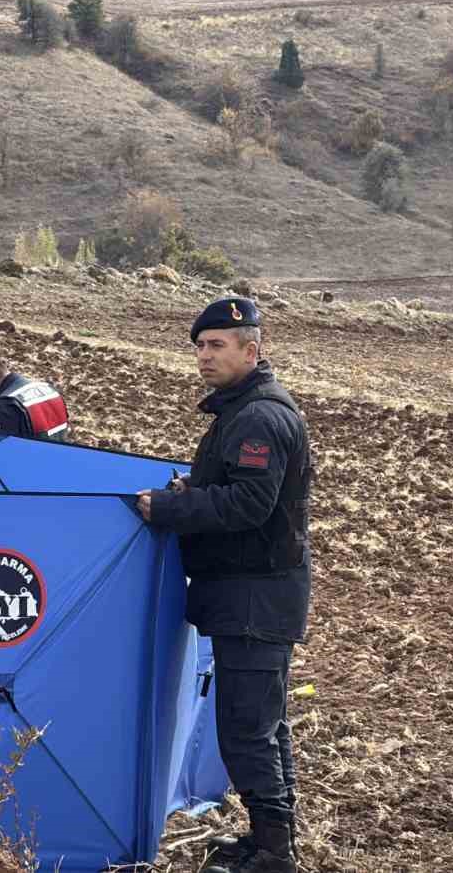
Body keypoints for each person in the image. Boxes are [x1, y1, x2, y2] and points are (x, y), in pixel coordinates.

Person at [134, 297, 312, 873]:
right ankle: (272, 839)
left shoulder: (259, 417)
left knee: (246, 730)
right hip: (252, 593)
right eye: (200, 346)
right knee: (263, 725)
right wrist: (193, 490)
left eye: (216, 345)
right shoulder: (241, 411)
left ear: (251, 351)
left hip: (256, 597)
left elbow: (251, 503)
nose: (204, 356)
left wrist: (170, 508)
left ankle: (274, 853)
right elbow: (236, 487)